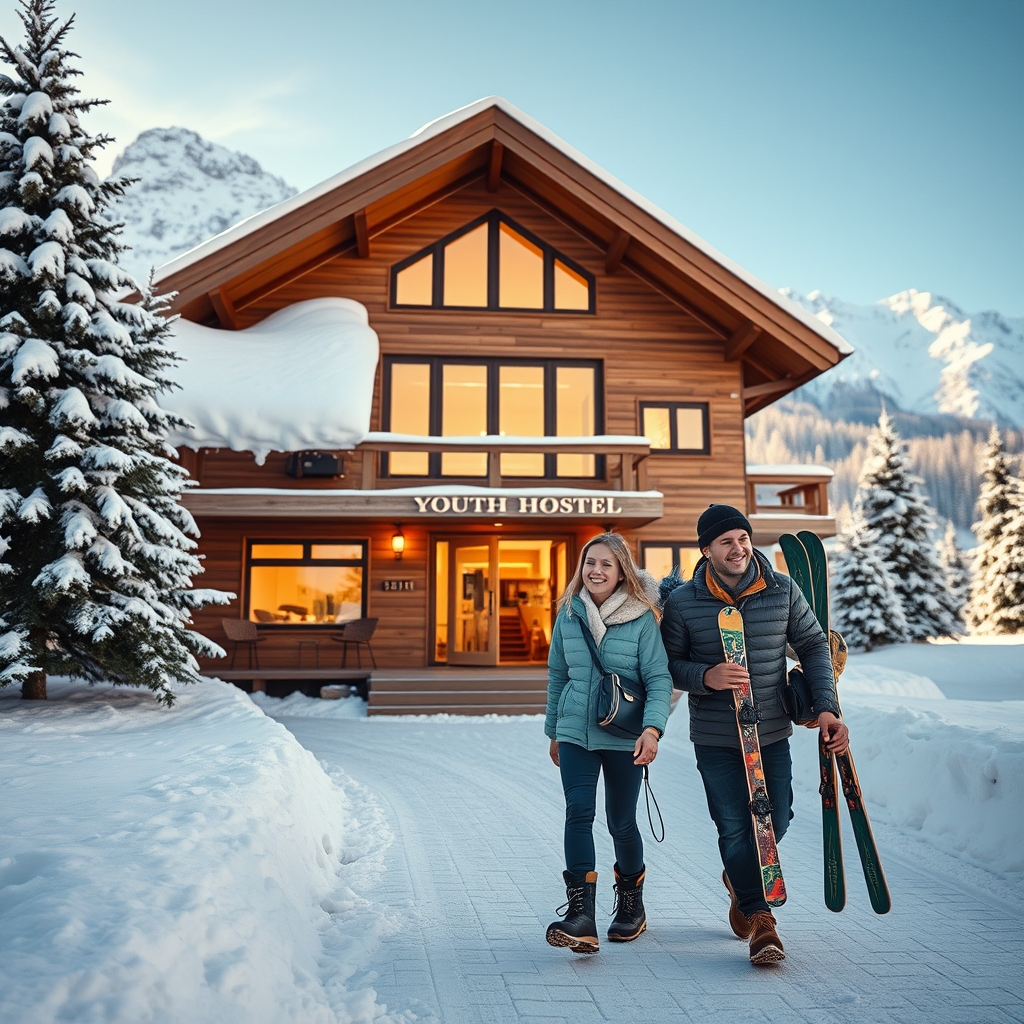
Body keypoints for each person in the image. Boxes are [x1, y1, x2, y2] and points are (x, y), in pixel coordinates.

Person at [660, 504, 849, 966]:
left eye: (743, 538)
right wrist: (706, 676)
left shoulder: (781, 590)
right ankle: (761, 920)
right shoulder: (685, 602)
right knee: (733, 824)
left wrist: (827, 708)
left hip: (770, 730)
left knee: (775, 819)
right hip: (715, 736)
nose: (738, 547)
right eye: (726, 541)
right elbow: (665, 665)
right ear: (706, 550)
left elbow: (813, 645)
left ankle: (738, 878)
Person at [544, 532, 673, 954]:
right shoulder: (568, 614)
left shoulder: (642, 618)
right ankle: (582, 917)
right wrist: (553, 730)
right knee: (578, 812)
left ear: (622, 572)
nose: (595, 571)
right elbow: (558, 676)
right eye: (589, 563)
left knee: (621, 820)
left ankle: (632, 904)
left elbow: (659, 680)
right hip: (576, 733)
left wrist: (652, 730)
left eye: (606, 564)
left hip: (623, 735)